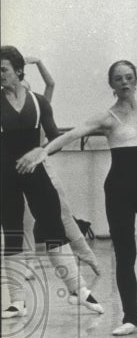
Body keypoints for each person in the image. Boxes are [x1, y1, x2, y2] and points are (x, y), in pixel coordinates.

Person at [17, 57, 137, 335]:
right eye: (119, 78)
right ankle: (131, 317)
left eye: (129, 77)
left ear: (135, 80)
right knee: (125, 255)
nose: (125, 82)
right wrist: (43, 151)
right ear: (112, 84)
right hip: (119, 192)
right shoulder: (107, 117)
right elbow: (71, 135)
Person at [2, 46, 103, 319]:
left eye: (4, 70)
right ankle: (17, 301)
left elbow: (56, 139)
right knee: (12, 234)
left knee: (53, 228)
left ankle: (77, 289)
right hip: (5, 179)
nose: (0, 76)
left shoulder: (38, 102)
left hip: (36, 173)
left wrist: (40, 152)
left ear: (19, 71)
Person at [19, 55, 101, 275]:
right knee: (25, 219)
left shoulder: (37, 106)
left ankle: (85, 252)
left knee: (63, 212)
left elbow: (51, 84)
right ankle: (27, 265)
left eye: (26, 90)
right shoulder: (9, 112)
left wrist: (37, 63)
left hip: (42, 167)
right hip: (19, 170)